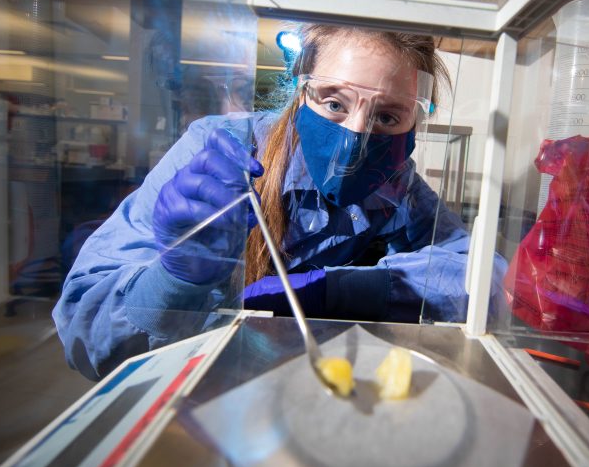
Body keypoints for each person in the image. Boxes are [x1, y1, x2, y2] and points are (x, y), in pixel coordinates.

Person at [53, 24, 506, 380]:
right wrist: (175, 278)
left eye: (388, 116)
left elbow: (486, 277)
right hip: (198, 389)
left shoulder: (397, 185)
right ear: (301, 88)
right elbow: (84, 336)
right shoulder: (221, 150)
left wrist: (338, 290)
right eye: (333, 103)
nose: (355, 139)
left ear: (413, 124)